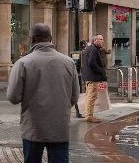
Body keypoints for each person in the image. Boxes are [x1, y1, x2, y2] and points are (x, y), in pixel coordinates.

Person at [6, 23, 79, 163]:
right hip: (59, 126)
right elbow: (75, 96)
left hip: (33, 126)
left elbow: (13, 97)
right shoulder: (69, 62)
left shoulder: (23, 63)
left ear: (32, 39)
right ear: (50, 38)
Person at [79, 34, 107, 122]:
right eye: (100, 39)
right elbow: (91, 62)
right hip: (92, 77)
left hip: (89, 76)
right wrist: (100, 70)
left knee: (89, 96)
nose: (103, 41)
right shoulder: (94, 50)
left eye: (102, 39)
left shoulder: (90, 49)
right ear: (95, 41)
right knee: (91, 97)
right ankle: (89, 116)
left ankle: (87, 114)